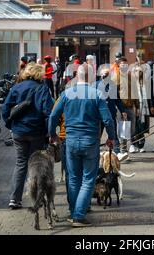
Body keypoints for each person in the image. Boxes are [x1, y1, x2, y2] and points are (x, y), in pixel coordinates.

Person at [48, 64, 115, 227]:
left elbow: (53, 116)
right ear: (91, 77)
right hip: (90, 141)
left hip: (70, 141)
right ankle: (78, 215)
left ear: (77, 76)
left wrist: (52, 134)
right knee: (88, 179)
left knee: (73, 178)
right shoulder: (97, 94)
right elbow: (107, 119)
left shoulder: (66, 94)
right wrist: (111, 137)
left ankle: (73, 212)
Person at [1, 63, 54, 210]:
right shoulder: (42, 88)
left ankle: (14, 199)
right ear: (39, 74)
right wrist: (50, 132)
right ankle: (37, 198)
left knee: (20, 163)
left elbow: (5, 108)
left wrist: (10, 124)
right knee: (35, 165)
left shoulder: (16, 87)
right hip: (36, 132)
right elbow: (49, 112)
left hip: (19, 132)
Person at [96, 67, 128, 159]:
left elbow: (117, 100)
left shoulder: (112, 85)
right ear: (100, 75)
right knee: (97, 135)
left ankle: (117, 152)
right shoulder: (95, 85)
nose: (105, 76)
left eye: (107, 74)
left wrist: (122, 111)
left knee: (113, 134)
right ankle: (94, 152)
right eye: (104, 74)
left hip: (110, 114)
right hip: (98, 115)